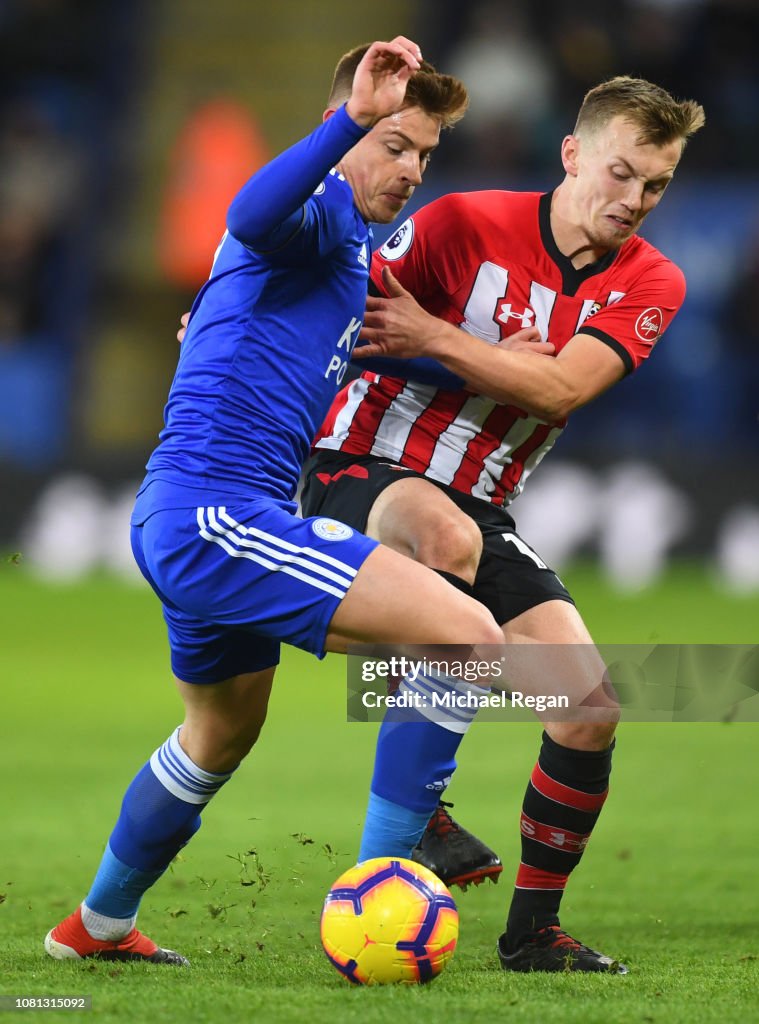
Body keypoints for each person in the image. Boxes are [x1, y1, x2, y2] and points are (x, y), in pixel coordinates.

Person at [44, 38, 497, 967]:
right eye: (395, 146)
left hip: (193, 518)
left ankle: (94, 929)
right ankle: (382, 890)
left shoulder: (344, 260)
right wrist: (346, 127)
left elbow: (288, 305)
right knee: (467, 639)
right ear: (350, 133)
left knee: (217, 734)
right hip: (218, 515)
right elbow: (250, 212)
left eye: (423, 155)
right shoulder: (322, 210)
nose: (409, 170)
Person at [301, 75, 705, 972]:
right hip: (362, 466)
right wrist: (219, 319)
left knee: (588, 711)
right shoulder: (461, 224)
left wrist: (439, 338)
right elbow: (348, 314)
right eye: (620, 173)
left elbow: (562, 386)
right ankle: (412, 822)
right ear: (571, 155)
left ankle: (531, 934)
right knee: (444, 542)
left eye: (657, 186)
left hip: (481, 500)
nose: (633, 201)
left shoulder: (650, 280)